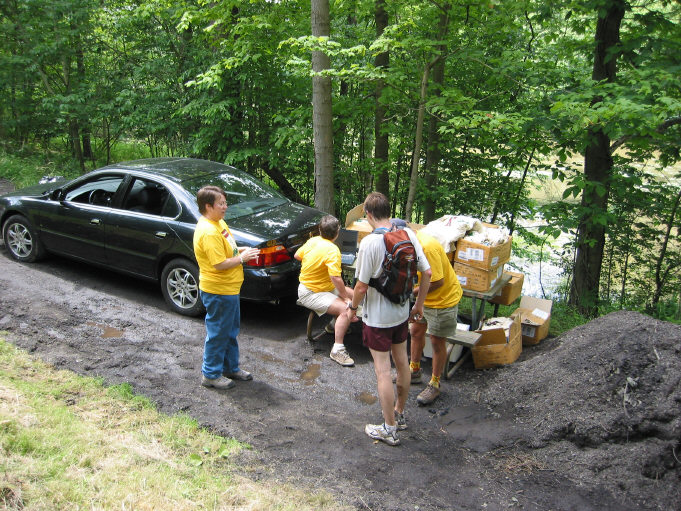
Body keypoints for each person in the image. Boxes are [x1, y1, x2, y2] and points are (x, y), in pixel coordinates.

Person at [346, 192, 431, 446]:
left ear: (368, 215)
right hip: (402, 313)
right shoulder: (408, 235)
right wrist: (419, 304)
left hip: (378, 318)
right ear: (388, 211)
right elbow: (426, 273)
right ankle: (399, 414)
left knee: (383, 372)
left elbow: (361, 288)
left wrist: (352, 309)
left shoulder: (370, 243)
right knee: (402, 363)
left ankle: (389, 428)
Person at [193, 185, 261, 390]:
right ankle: (210, 374)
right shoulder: (208, 231)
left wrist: (241, 250)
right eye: (221, 203)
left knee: (230, 331)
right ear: (208, 206)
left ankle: (230, 367)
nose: (225, 206)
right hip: (218, 290)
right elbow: (219, 264)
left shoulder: (218, 222)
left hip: (230, 289)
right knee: (218, 333)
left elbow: (228, 249)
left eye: (225, 202)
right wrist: (242, 258)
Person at [407, 227, 463, 405]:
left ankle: (435, 384)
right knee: (415, 332)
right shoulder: (409, 245)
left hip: (442, 300)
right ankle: (414, 371)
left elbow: (437, 281)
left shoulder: (427, 247)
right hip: (424, 299)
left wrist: (411, 293)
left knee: (437, 341)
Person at [295, 214, 355, 366]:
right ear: (337, 233)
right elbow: (336, 278)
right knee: (345, 309)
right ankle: (338, 350)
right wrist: (345, 299)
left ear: (320, 230)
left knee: (355, 295)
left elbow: (297, 255)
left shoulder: (313, 241)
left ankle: (333, 326)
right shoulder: (332, 250)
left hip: (324, 287)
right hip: (310, 292)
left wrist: (313, 261)